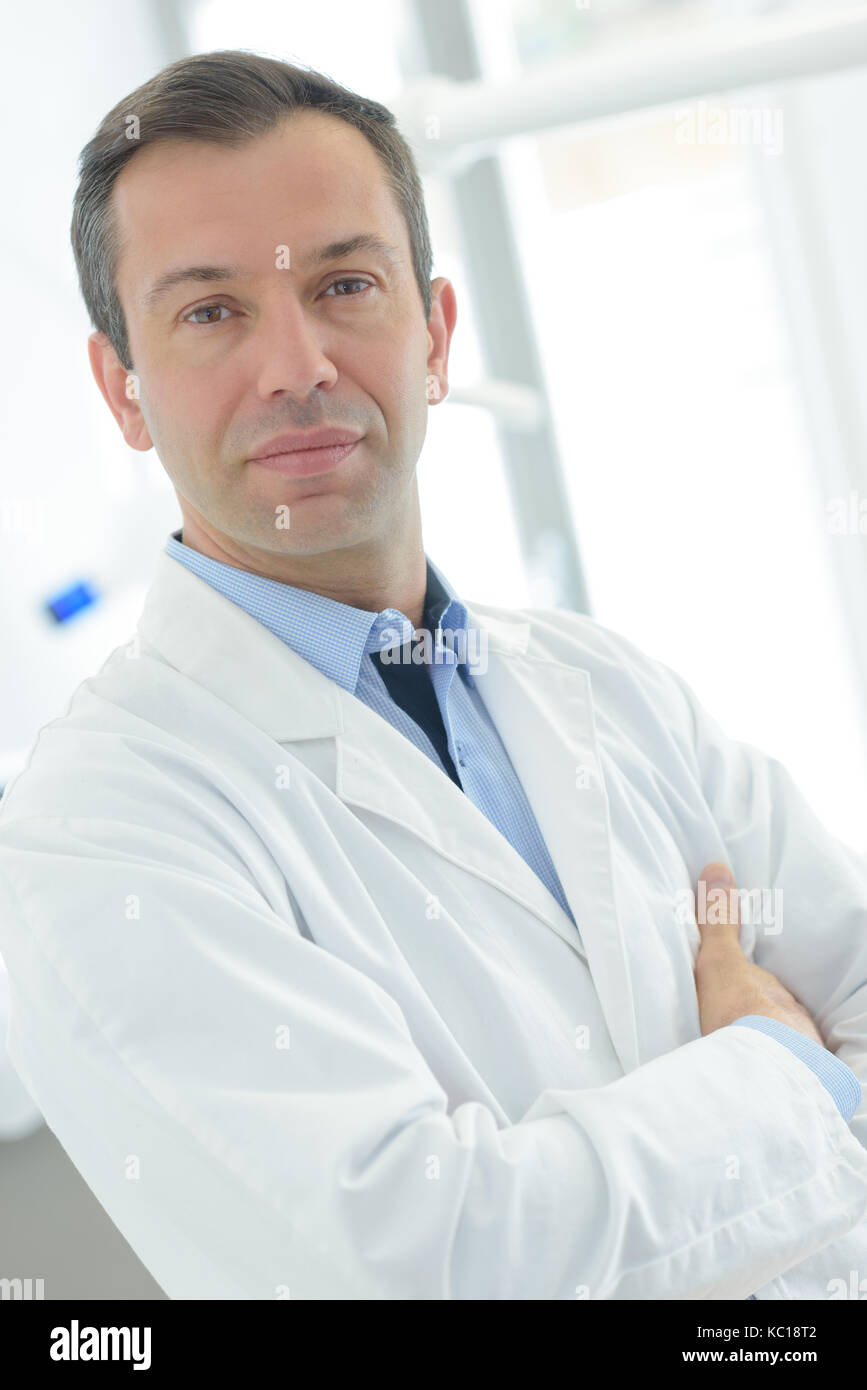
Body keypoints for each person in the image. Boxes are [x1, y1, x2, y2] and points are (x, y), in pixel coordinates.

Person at [0, 50, 865, 1301]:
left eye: (347, 282)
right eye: (211, 311)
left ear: (438, 333)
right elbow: (418, 1267)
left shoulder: (608, 684)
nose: (295, 364)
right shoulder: (101, 830)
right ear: (122, 390)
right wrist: (785, 1070)